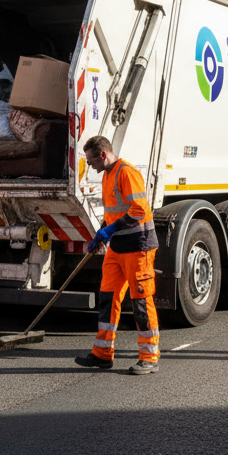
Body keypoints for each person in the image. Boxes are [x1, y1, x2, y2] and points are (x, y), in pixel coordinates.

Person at [74, 135, 161, 375]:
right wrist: (101, 232)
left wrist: (110, 229)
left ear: (102, 155)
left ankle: (149, 357)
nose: (90, 165)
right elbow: (114, 212)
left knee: (141, 301)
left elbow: (139, 210)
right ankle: (102, 354)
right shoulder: (107, 175)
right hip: (118, 247)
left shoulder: (127, 172)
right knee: (107, 298)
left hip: (138, 246)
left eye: (91, 160)